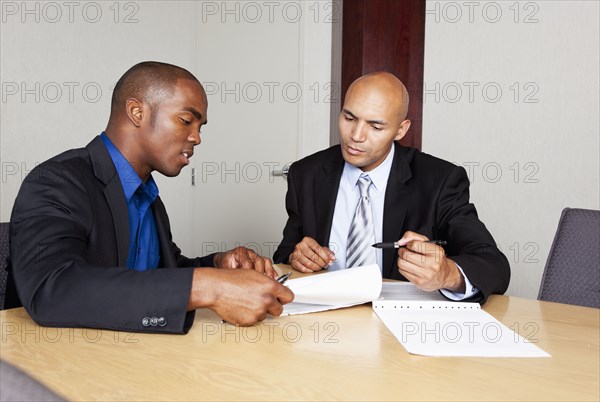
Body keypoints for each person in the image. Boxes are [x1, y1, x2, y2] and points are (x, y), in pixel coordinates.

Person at [6, 61, 293, 332]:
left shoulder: (147, 195)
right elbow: (51, 290)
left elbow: (164, 272)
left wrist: (218, 265)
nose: (197, 137)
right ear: (137, 112)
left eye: (200, 126)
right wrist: (209, 287)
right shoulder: (57, 182)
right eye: (186, 120)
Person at [273, 72, 510, 303]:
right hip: (325, 321)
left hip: (399, 325)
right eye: (349, 118)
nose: (356, 136)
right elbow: (283, 256)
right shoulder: (306, 174)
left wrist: (447, 273)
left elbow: (493, 264)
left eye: (375, 127)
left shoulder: (440, 181)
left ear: (401, 130)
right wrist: (297, 256)